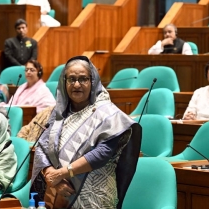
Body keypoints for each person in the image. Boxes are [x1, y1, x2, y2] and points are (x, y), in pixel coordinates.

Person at [31, 56, 140, 208]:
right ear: (64, 82)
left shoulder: (107, 113)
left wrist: (62, 173)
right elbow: (42, 147)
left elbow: (103, 152)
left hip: (94, 197)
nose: (76, 84)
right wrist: (51, 176)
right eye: (71, 79)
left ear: (93, 81)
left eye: (83, 79)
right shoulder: (58, 113)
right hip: (60, 194)